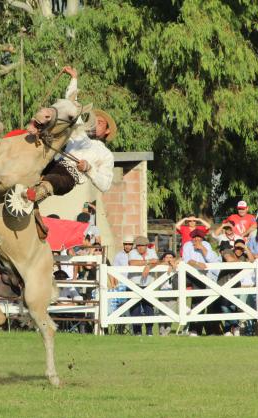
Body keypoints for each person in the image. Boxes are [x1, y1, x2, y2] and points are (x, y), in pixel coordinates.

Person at [23, 67, 116, 206]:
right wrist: (74, 78)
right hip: (54, 163)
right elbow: (70, 104)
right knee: (31, 162)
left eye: (101, 123)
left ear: (107, 131)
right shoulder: (80, 132)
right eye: (95, 120)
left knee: (54, 180)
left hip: (69, 177)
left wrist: (89, 168)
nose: (96, 123)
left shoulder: (106, 154)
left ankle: (31, 196)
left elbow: (106, 185)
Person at [181, 229, 222, 336]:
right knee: (195, 301)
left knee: (205, 302)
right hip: (192, 275)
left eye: (199, 237)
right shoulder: (187, 245)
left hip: (205, 276)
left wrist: (203, 249)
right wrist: (198, 263)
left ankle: (205, 329)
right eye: (195, 237)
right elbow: (186, 260)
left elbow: (212, 259)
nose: (197, 239)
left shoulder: (206, 245)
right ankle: (194, 328)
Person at [218, 239, 256, 336]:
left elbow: (252, 260)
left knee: (232, 307)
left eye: (241, 248)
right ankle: (235, 326)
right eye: (237, 248)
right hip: (224, 283)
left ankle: (228, 330)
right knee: (224, 307)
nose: (239, 250)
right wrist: (241, 262)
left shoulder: (244, 255)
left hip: (235, 285)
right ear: (234, 247)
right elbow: (228, 259)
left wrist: (246, 248)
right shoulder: (228, 251)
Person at [142, 250, 180, 336]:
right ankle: (161, 328)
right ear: (163, 259)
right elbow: (157, 264)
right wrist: (168, 265)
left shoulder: (177, 265)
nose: (169, 259)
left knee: (171, 311)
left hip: (173, 292)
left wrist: (174, 264)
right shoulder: (160, 266)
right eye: (167, 257)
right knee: (162, 311)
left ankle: (168, 328)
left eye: (171, 257)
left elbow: (182, 259)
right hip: (162, 291)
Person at [127, 236, 159, 336]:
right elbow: (132, 263)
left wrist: (148, 267)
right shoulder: (133, 252)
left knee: (149, 307)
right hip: (134, 284)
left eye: (142, 246)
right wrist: (148, 263)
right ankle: (137, 331)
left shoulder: (151, 251)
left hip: (148, 284)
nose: (140, 248)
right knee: (135, 308)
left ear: (146, 246)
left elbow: (157, 261)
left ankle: (149, 330)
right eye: (138, 246)